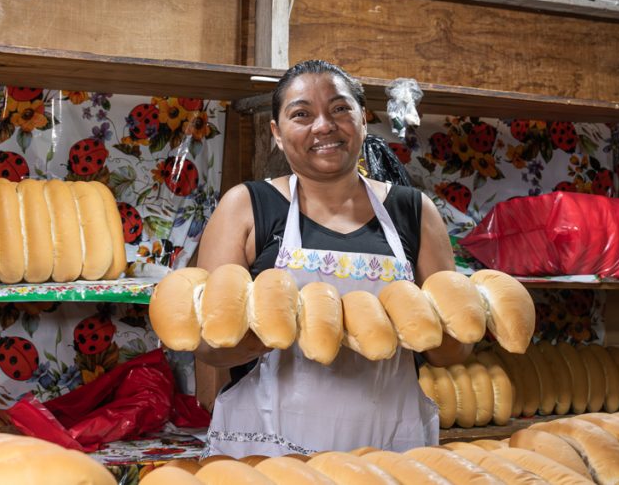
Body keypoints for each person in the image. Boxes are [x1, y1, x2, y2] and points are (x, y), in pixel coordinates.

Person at [195, 59, 472, 458]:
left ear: (363, 119)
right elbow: (210, 347)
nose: (324, 126)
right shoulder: (246, 207)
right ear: (276, 133)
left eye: (340, 109)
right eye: (301, 114)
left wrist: (435, 328)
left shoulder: (413, 211)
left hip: (387, 448)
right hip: (269, 451)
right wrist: (283, 328)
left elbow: (450, 353)